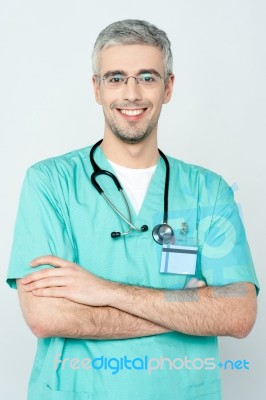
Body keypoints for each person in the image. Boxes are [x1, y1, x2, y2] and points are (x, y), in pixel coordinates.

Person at [7, 19, 259, 400]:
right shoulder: (50, 183)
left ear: (168, 87)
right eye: (115, 78)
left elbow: (238, 315)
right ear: (96, 88)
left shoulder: (209, 191)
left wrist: (103, 291)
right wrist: (186, 309)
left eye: (147, 77)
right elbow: (47, 316)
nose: (131, 93)